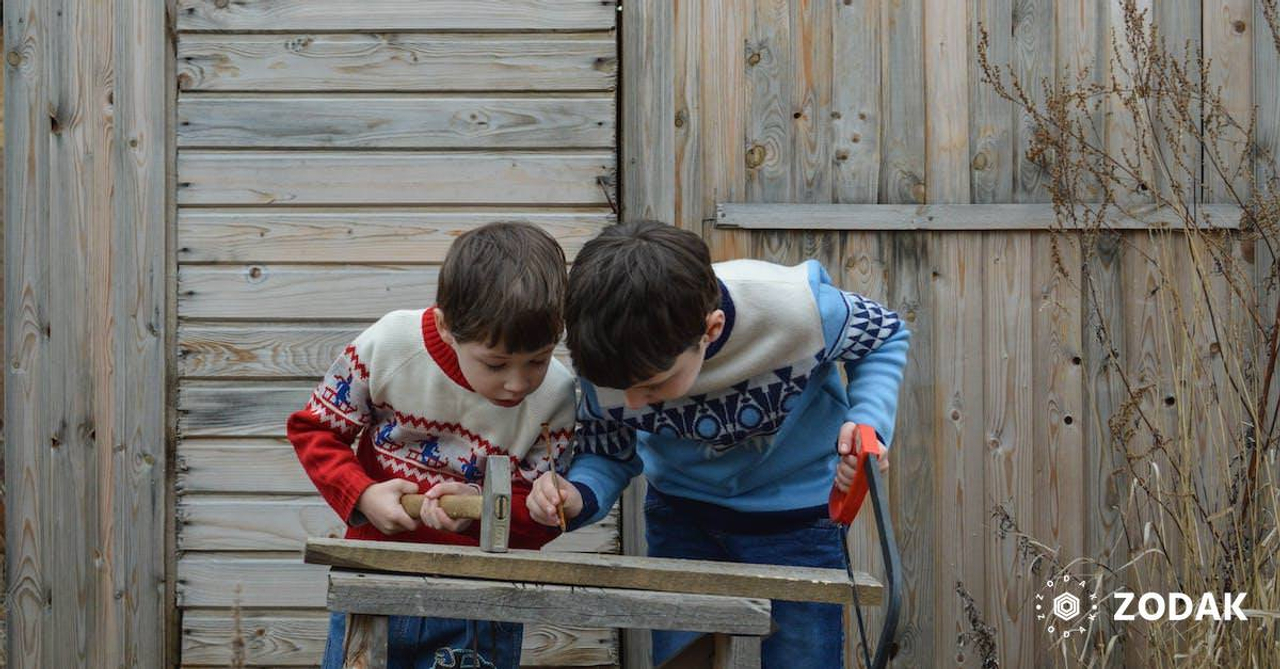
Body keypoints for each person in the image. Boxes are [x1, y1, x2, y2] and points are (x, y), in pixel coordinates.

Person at [528, 220, 910, 668]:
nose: (631, 403)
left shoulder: (795, 310)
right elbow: (608, 453)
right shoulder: (608, 358)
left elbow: (885, 335)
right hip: (683, 517)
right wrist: (575, 496)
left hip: (797, 523)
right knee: (680, 660)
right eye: (619, 388)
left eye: (652, 385)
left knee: (803, 660)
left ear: (710, 330)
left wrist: (867, 422)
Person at [287, 221, 576, 669]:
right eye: (495, 363)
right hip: (375, 581)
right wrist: (362, 494)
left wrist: (485, 510)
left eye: (537, 360)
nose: (517, 383)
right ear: (445, 327)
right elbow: (315, 431)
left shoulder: (556, 394)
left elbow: (544, 516)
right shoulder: (388, 346)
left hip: (484, 603)